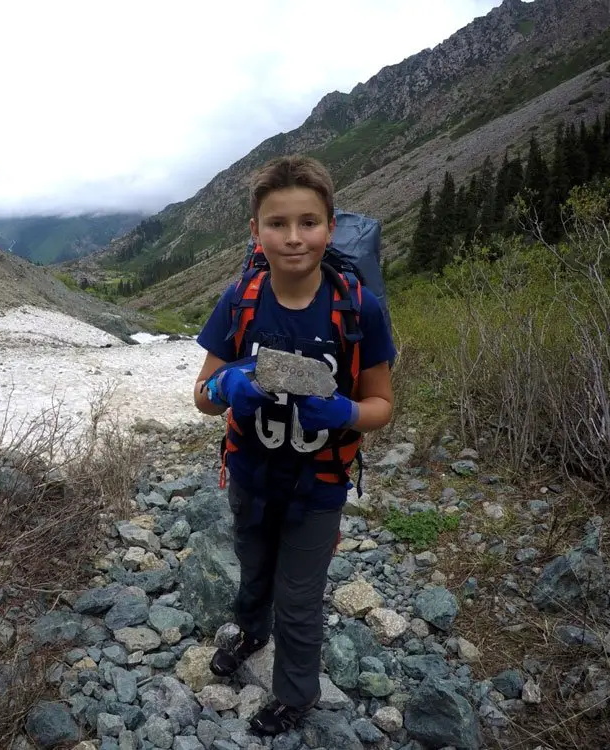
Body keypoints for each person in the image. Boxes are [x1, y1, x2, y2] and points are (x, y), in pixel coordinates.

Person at [192, 154, 396, 735]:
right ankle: (250, 632)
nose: (293, 237)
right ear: (255, 231)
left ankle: (295, 693)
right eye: (277, 223)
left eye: (308, 222)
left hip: (321, 482)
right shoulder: (240, 300)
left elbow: (381, 403)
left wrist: (347, 411)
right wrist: (227, 384)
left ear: (331, 226)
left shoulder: (360, 310)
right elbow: (202, 396)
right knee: (254, 571)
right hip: (250, 473)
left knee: (300, 597)